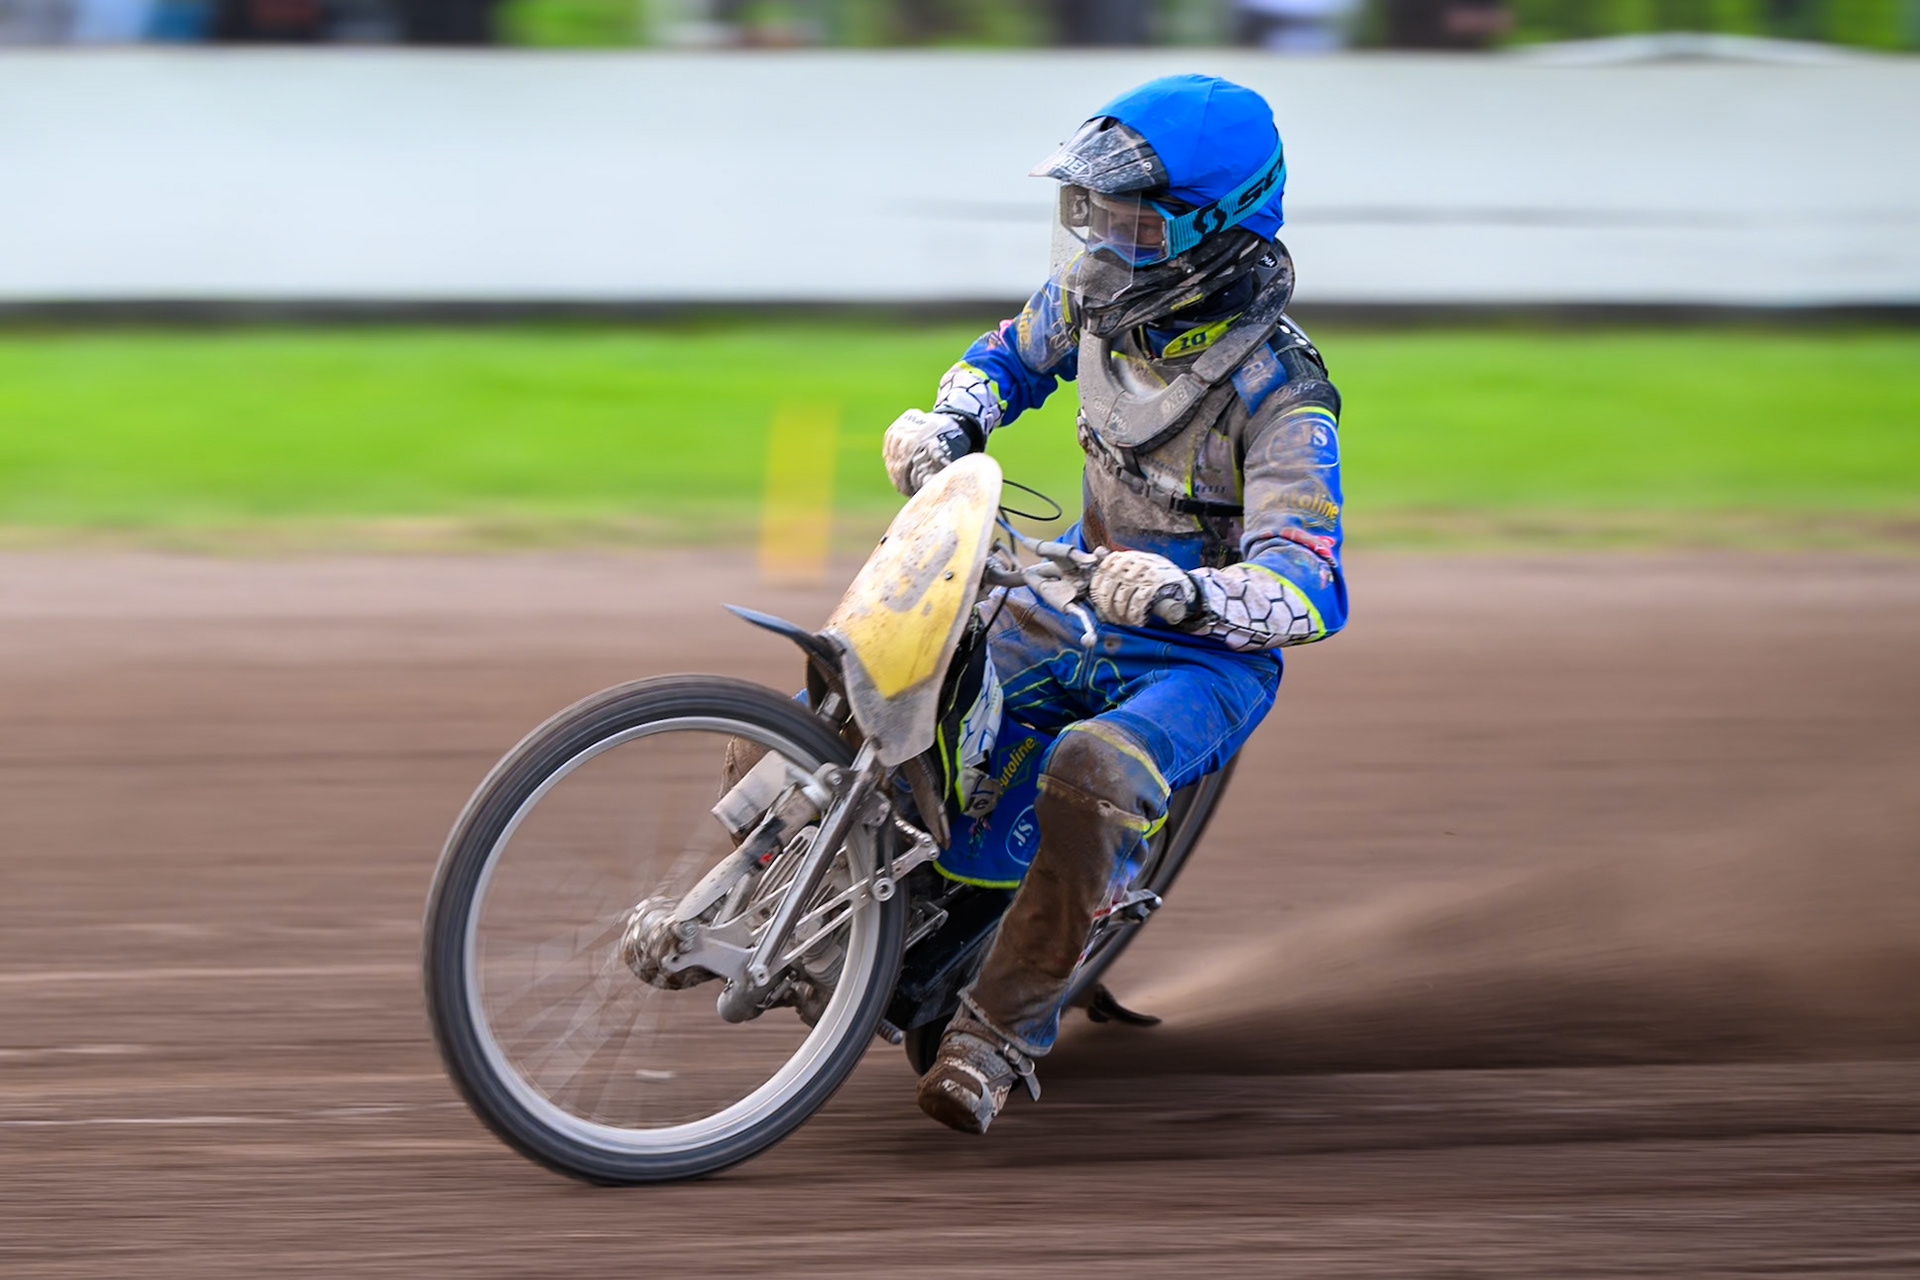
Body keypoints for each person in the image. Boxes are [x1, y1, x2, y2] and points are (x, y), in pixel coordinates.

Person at [881, 73, 1349, 1135]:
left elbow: (1311, 582)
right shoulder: (1094, 301)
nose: (1097, 243)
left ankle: (996, 1037)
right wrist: (951, 421)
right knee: (888, 674)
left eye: (1130, 224)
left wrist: (1192, 593)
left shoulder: (1284, 394)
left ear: (1214, 233)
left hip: (1201, 658)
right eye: (1086, 214)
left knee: (1096, 770)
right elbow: (1006, 355)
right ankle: (794, 874)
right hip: (1075, 595)